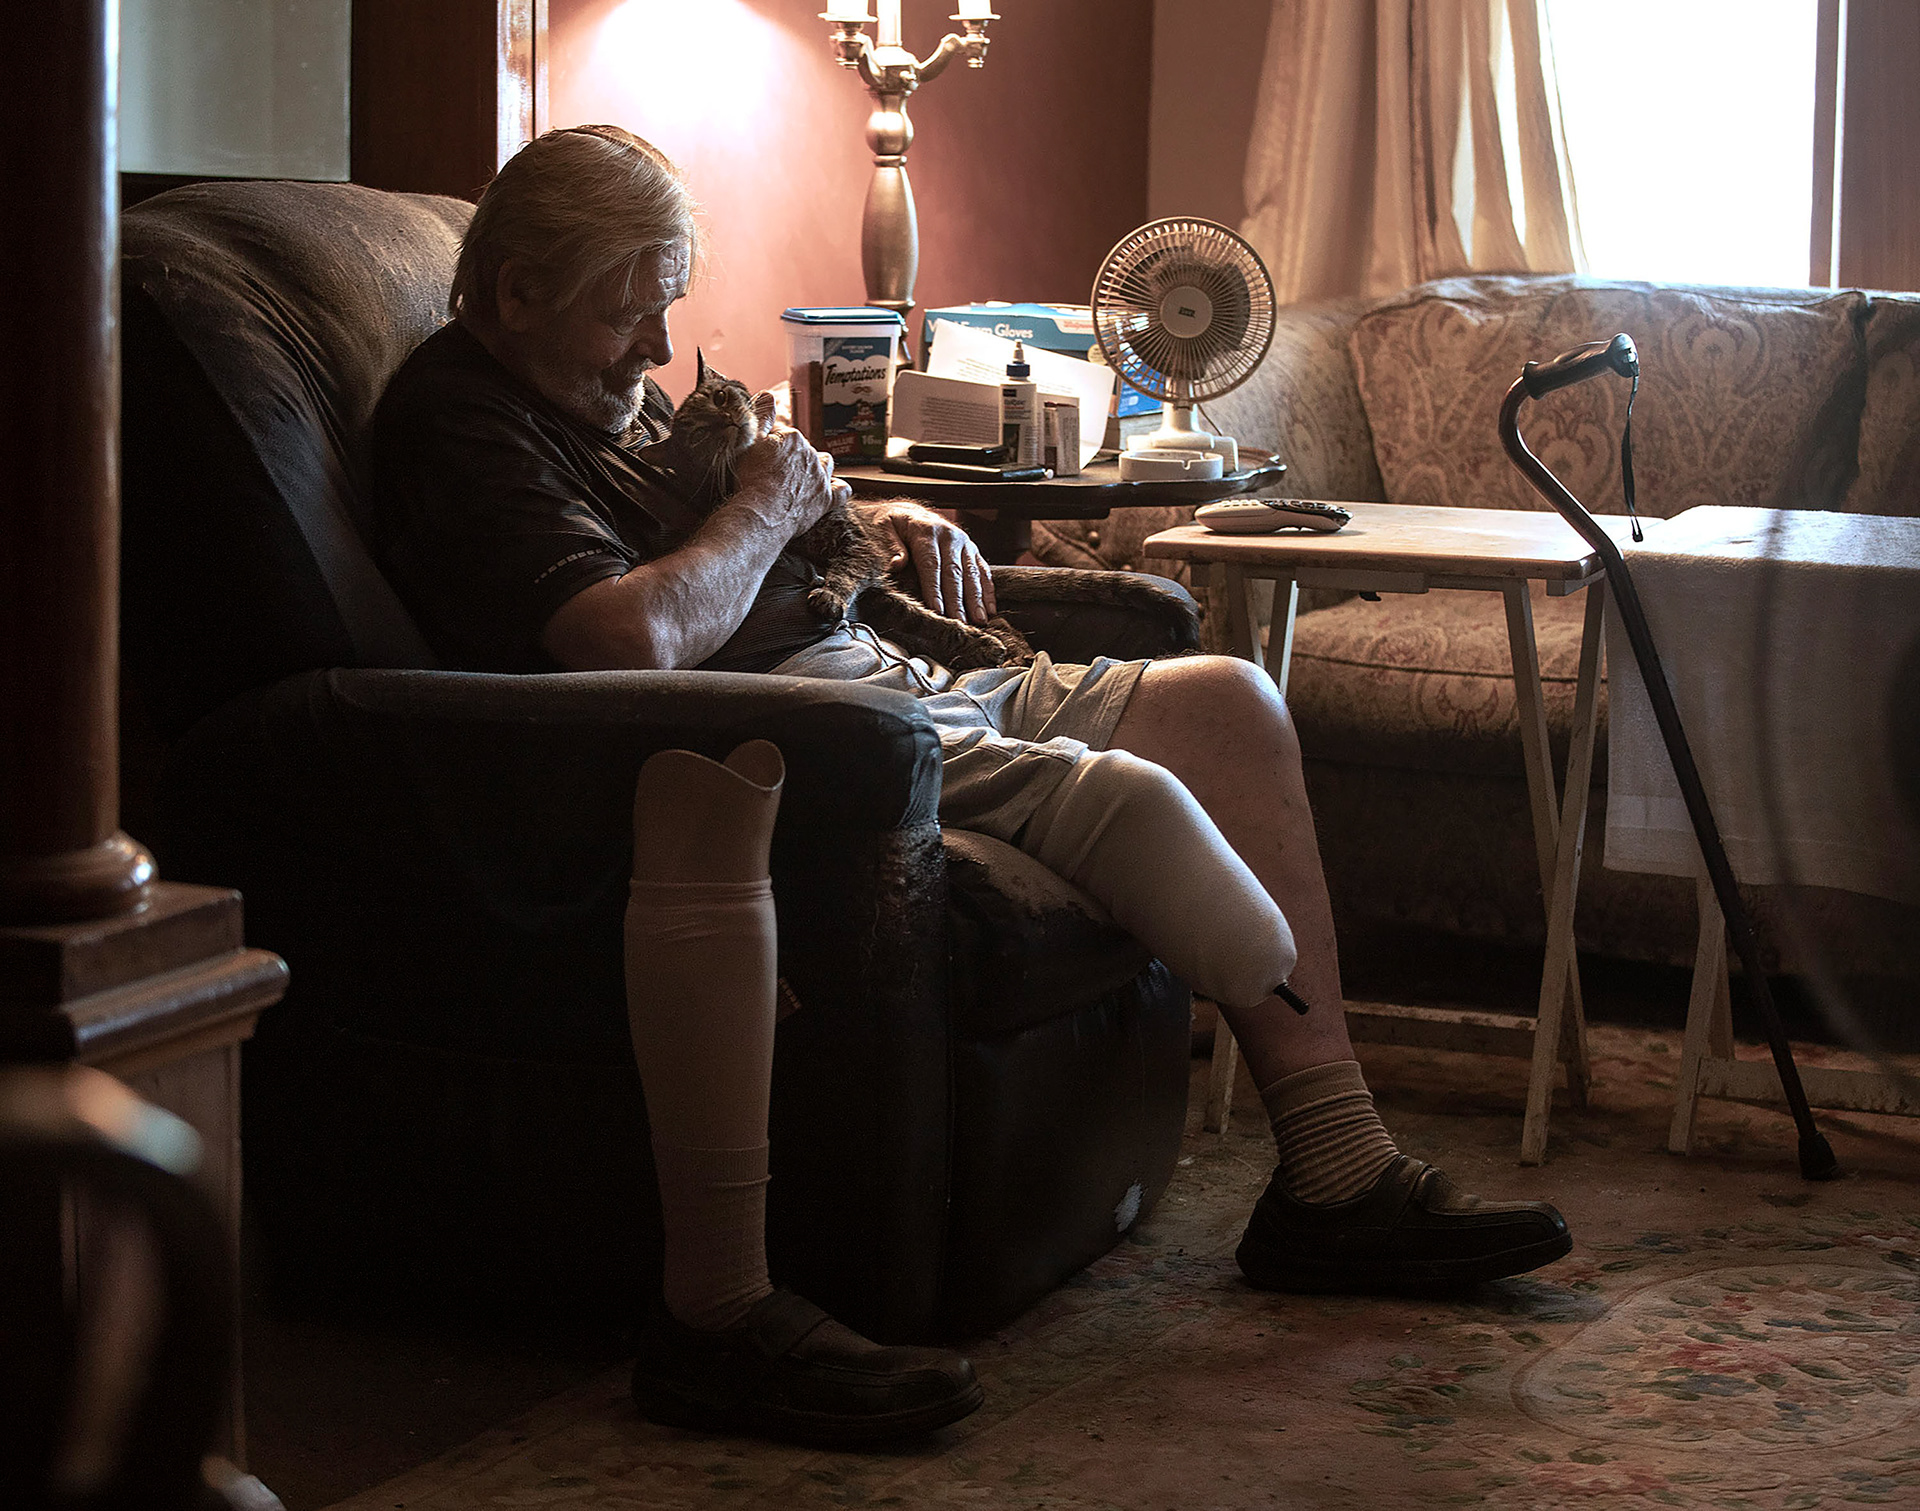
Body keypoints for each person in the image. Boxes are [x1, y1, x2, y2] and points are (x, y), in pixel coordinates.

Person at [369, 125, 1573, 1447]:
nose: (657, 351)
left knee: (1226, 702)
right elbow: (629, 638)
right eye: (625, 311)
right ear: (517, 292)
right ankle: (728, 1310)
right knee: (1103, 793)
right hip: (816, 729)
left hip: (890, 674)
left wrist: (883, 522)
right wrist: (766, 516)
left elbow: (748, 529)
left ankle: (1335, 1175)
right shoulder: (463, 424)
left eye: (663, 308)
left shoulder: (599, 390)